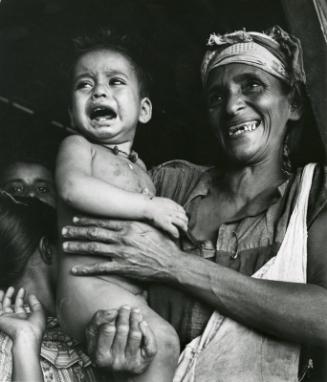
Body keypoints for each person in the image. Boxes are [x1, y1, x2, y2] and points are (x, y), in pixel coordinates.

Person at [61, 26, 327, 381]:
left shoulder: (312, 194)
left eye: (252, 85)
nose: (232, 106)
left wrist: (174, 264)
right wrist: (108, 344)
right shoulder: (166, 184)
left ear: (292, 103)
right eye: (217, 97)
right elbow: (78, 245)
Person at [56, 29, 187, 382]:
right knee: (161, 342)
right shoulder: (77, 148)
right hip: (90, 287)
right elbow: (73, 187)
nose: (99, 90)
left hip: (128, 293)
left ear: (144, 110)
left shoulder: (143, 170)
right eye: (85, 84)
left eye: (115, 82)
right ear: (71, 112)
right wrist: (147, 208)